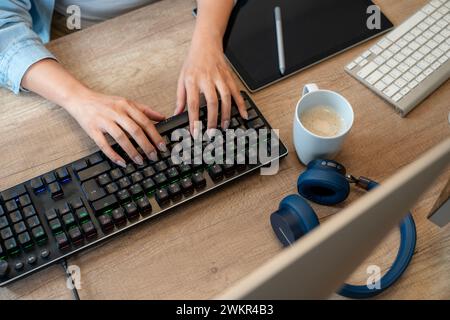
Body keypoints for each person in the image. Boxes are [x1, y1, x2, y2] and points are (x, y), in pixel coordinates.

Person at [0, 0, 248, 168]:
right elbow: (4, 26)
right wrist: (76, 98)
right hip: (78, 33)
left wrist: (208, 39)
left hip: (185, 14)